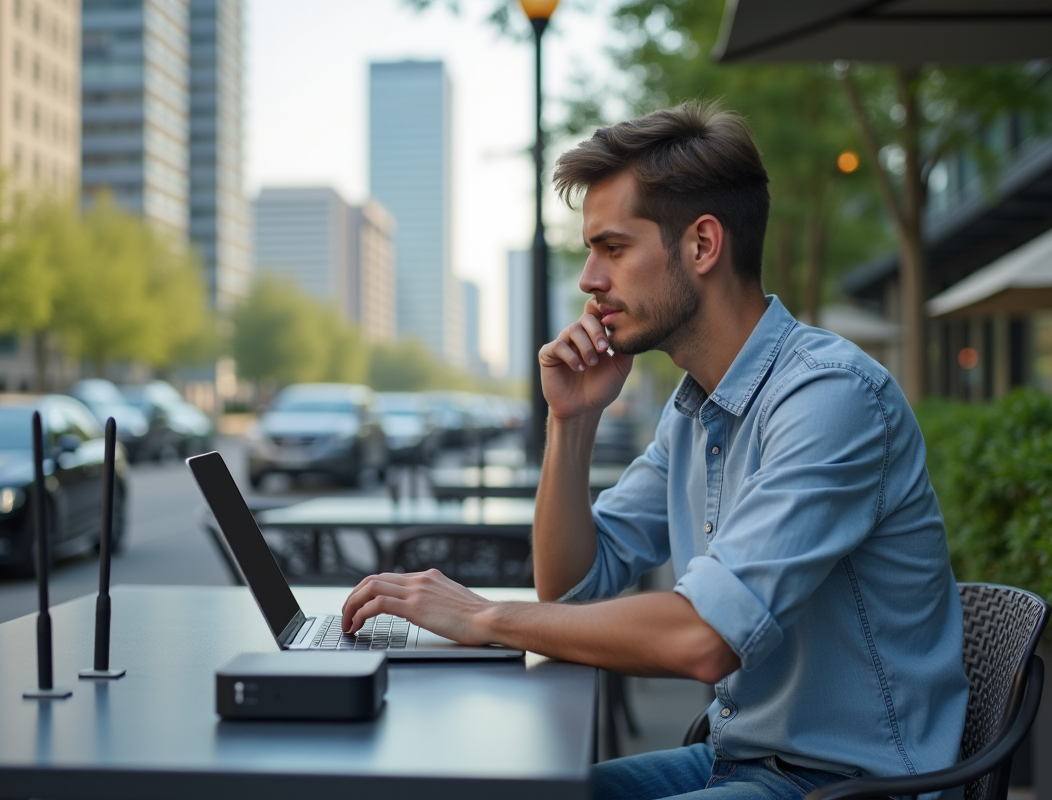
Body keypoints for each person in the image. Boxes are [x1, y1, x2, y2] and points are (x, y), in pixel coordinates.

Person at [342, 102, 969, 800]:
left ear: (702, 245)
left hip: (855, 786)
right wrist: (570, 421)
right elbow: (574, 589)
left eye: (612, 248)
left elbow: (704, 637)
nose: (589, 280)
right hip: (742, 762)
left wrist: (485, 617)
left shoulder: (830, 398)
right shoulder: (695, 406)